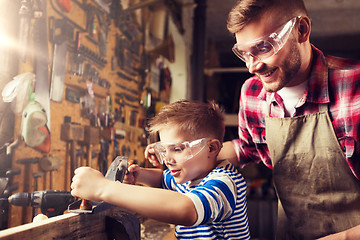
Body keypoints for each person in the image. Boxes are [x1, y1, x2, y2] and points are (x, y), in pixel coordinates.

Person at [145, 0, 360, 239]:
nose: (252, 66)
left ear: (301, 30)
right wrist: (179, 151)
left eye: (264, 47)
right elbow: (246, 149)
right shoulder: (253, 93)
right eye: (244, 53)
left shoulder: (354, 89)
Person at [71, 100, 250, 240]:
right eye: (164, 150)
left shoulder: (225, 183)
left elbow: (187, 209)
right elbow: (162, 179)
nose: (167, 160)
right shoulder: (191, 175)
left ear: (211, 148)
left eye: (178, 149)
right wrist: (140, 175)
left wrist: (103, 188)